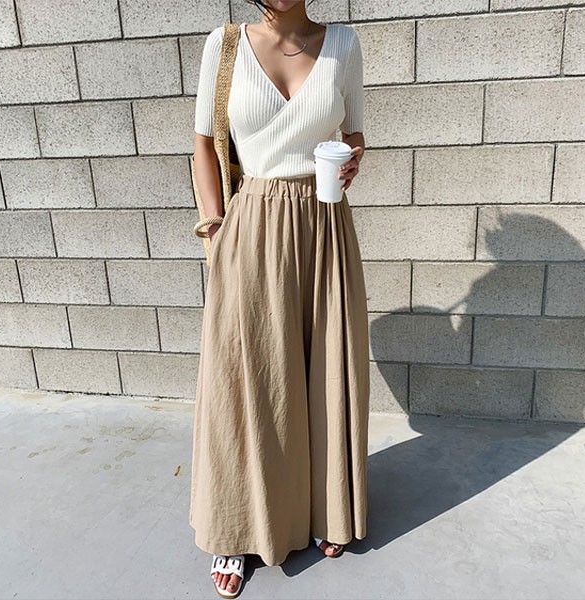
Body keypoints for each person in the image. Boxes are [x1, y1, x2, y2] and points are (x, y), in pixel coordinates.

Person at [190, 0, 369, 596]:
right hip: (252, 226)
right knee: (247, 380)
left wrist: (352, 161)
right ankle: (237, 526)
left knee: (324, 371)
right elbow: (203, 144)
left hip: (324, 224)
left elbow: (354, 134)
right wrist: (215, 232)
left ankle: (325, 508)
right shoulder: (225, 45)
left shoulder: (343, 44)